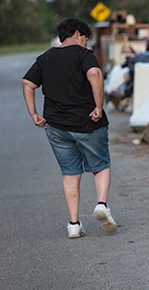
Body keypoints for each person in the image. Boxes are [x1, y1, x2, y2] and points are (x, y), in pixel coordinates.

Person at [22, 17, 118, 239]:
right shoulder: (84, 55)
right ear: (77, 34)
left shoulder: (46, 57)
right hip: (88, 123)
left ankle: (74, 224)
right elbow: (94, 74)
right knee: (100, 165)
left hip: (56, 126)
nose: (85, 42)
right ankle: (102, 205)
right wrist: (98, 106)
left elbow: (28, 83)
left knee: (70, 173)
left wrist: (34, 114)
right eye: (85, 38)